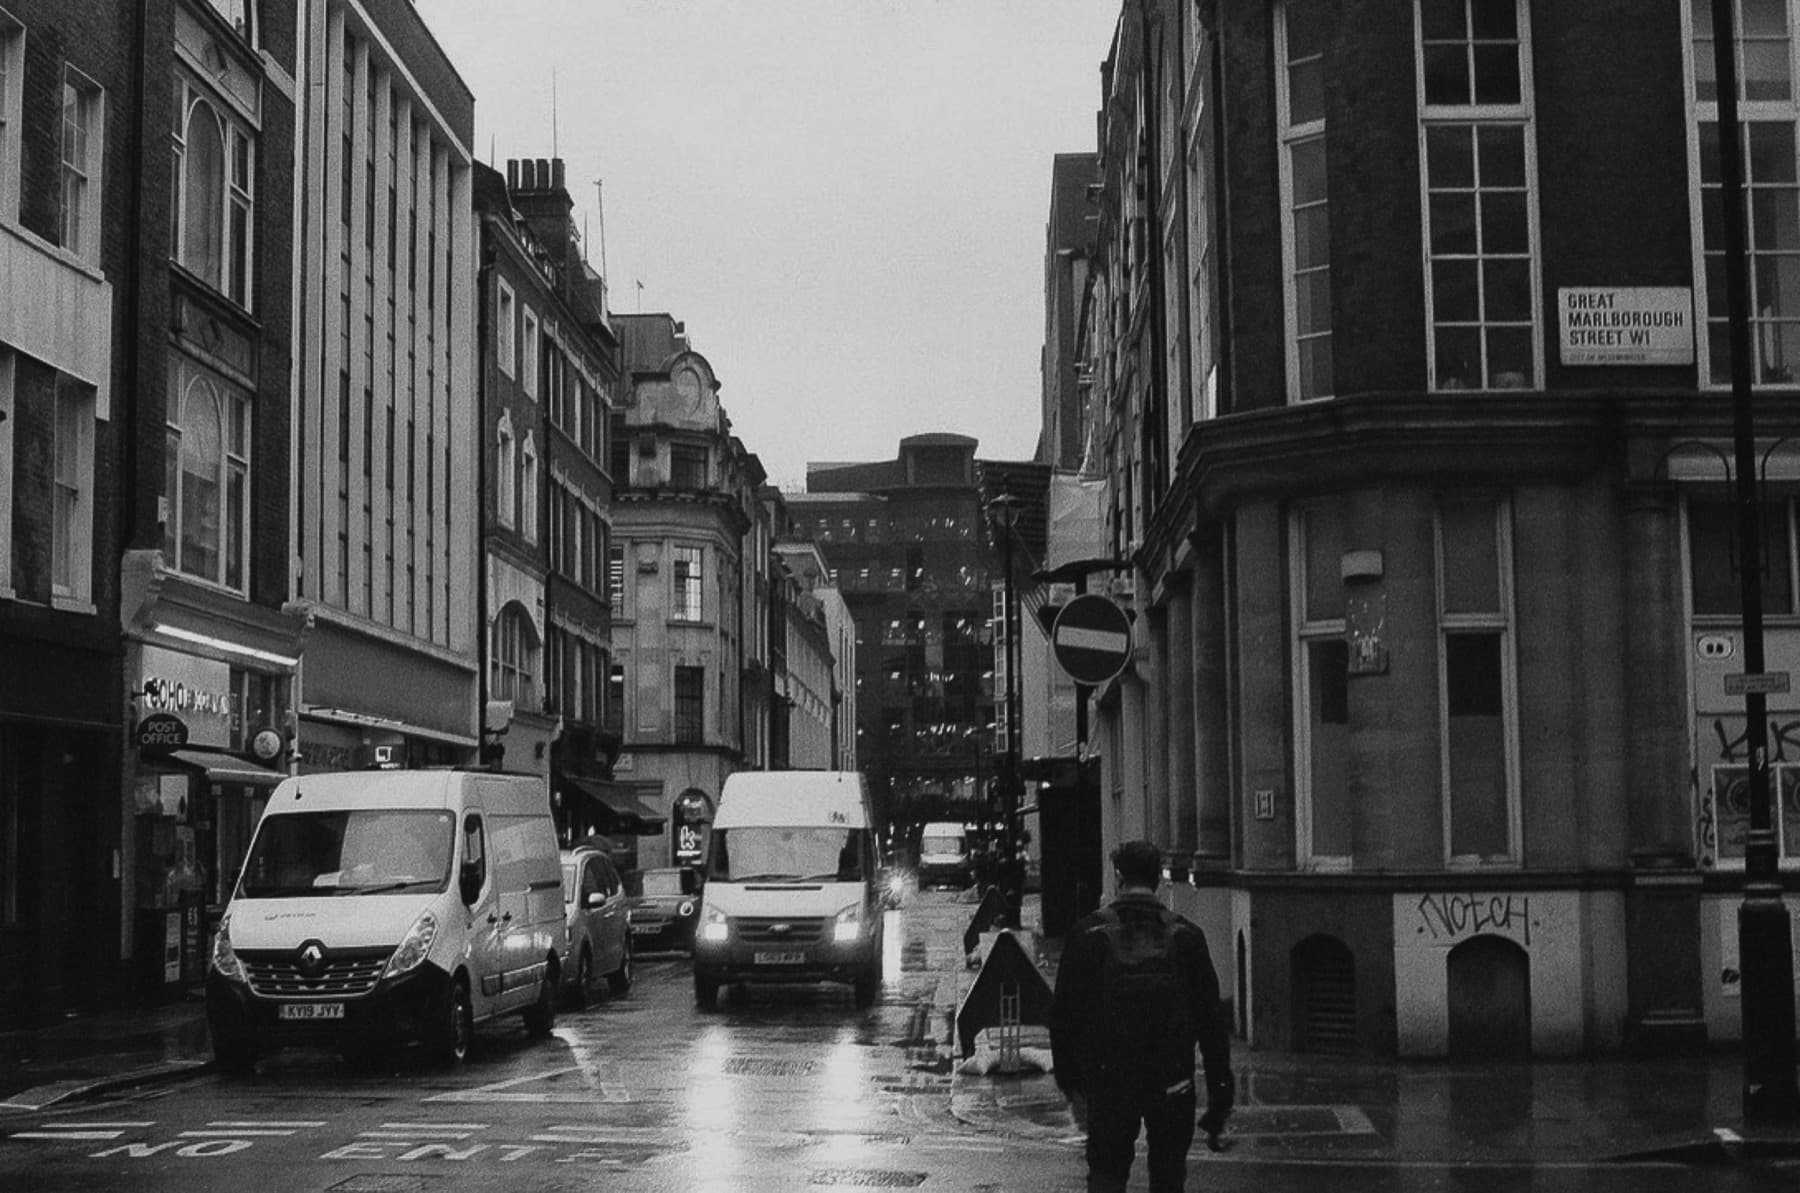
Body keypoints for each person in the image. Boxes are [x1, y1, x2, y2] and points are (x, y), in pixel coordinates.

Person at [1051, 840, 1233, 1193]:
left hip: (1108, 1082)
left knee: (1107, 1173)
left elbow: (1063, 1019)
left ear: (1118, 877)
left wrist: (1072, 1084)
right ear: (1158, 880)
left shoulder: (1087, 935)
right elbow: (1212, 1025)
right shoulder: (1187, 936)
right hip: (1173, 1080)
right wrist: (1219, 1101)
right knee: (1168, 1176)